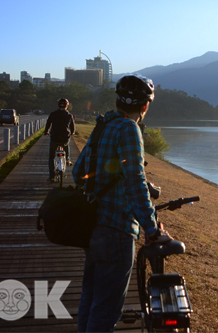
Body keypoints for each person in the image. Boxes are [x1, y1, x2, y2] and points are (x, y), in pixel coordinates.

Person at [72, 73, 173, 333]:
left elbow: (78, 172)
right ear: (145, 106)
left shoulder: (104, 123)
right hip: (116, 230)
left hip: (91, 226)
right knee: (106, 310)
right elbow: (135, 182)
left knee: (91, 299)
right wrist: (151, 230)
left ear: (117, 101)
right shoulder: (130, 128)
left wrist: (106, 179)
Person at [44, 98, 76, 182]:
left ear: (58, 105)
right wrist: (72, 133)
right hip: (65, 138)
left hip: (54, 138)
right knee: (66, 144)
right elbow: (73, 127)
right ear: (67, 106)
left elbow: (48, 124)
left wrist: (46, 132)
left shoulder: (53, 114)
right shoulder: (69, 115)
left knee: (51, 157)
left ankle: (52, 176)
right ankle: (68, 159)